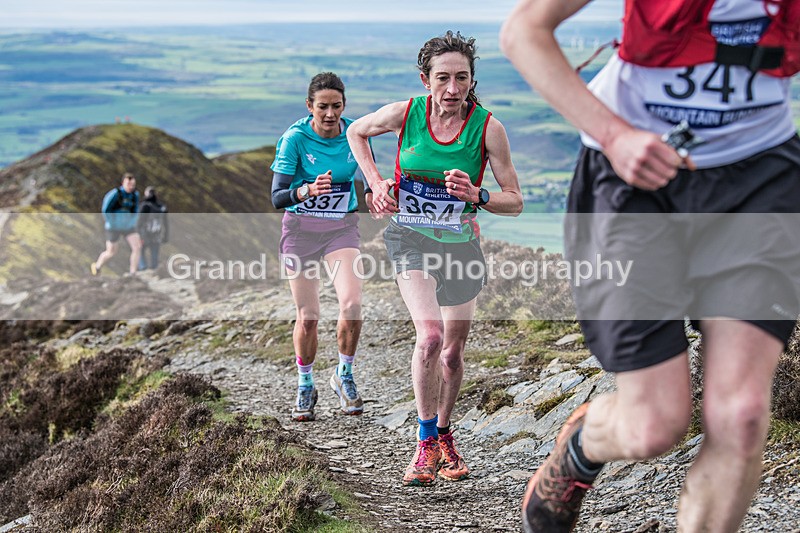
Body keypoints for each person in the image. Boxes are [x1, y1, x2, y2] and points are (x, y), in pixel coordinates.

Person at [501, 0, 800, 531]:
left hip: (761, 178)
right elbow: (524, 31)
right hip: (632, 178)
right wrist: (615, 137)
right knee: (654, 425)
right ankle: (582, 446)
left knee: (743, 416)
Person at [347, 31, 523, 486]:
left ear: (471, 79)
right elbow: (356, 131)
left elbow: (515, 200)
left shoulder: (488, 128)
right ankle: (424, 443)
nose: (452, 88)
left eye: (461, 77)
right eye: (442, 78)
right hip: (409, 237)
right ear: (425, 79)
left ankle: (445, 433)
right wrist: (376, 183)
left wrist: (478, 194)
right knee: (429, 336)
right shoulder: (407, 113)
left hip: (461, 245)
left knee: (452, 352)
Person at [271, 72, 372, 422]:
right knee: (309, 316)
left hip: (340, 229)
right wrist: (305, 191)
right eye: (323, 107)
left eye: (337, 106)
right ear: (309, 106)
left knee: (352, 303)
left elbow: (366, 177)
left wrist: (375, 193)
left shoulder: (356, 133)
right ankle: (305, 382)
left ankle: (343, 375)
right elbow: (276, 197)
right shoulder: (295, 139)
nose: (330, 114)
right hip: (300, 230)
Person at [91, 172, 142, 277]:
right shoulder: (115, 194)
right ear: (123, 182)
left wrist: (132, 222)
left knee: (137, 247)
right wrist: (112, 222)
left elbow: (136, 211)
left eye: (133, 184)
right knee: (111, 251)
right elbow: (105, 209)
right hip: (113, 227)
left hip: (128, 226)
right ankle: (97, 266)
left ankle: (133, 272)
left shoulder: (134, 195)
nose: (131, 187)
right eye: (129, 184)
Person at [137, 186, 169, 271]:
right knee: (154, 254)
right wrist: (166, 235)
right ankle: (154, 270)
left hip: (145, 234)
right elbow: (166, 223)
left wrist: (138, 235)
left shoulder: (144, 205)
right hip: (157, 234)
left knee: (140, 252)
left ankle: (143, 269)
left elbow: (139, 222)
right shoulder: (162, 206)